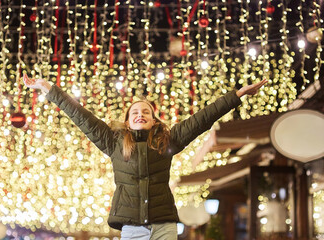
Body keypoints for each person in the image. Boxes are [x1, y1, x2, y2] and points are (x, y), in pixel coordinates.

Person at [23, 74, 267, 239]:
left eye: (146, 112)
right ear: (128, 121)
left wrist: (237, 95)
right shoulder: (113, 142)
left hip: (164, 226)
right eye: (135, 113)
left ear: (153, 120)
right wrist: (47, 88)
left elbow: (202, 118)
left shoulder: (167, 141)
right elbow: (79, 115)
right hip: (131, 228)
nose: (140, 115)